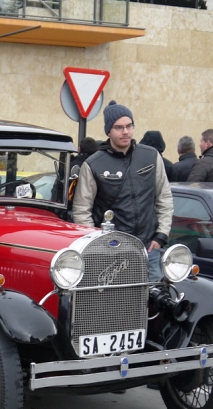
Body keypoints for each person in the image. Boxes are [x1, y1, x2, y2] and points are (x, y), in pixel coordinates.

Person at [72, 100, 173, 280]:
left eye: (129, 126)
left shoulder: (150, 156)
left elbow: (164, 197)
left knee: (154, 301)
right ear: (108, 131)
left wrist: (161, 235)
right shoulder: (93, 164)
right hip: (110, 253)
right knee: (115, 304)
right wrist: (97, 245)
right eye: (119, 127)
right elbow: (81, 210)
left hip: (149, 249)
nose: (125, 132)